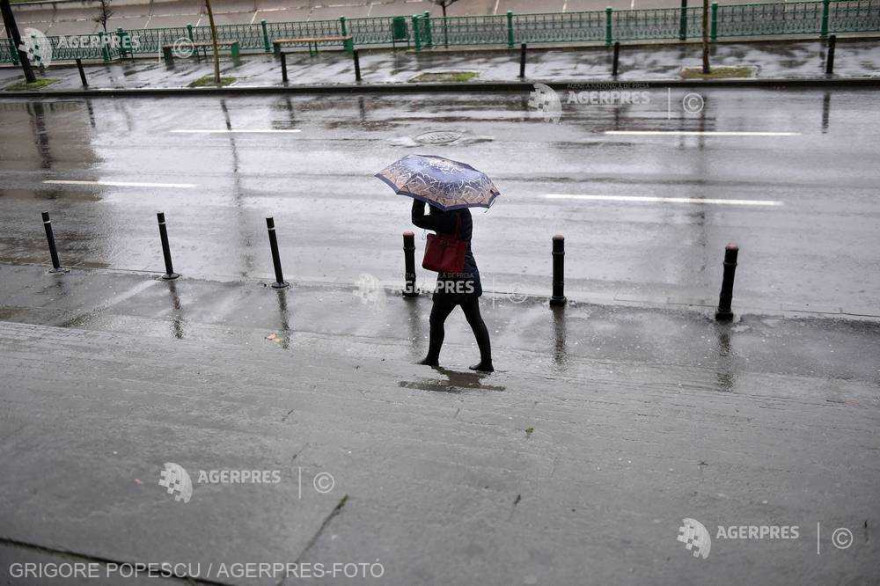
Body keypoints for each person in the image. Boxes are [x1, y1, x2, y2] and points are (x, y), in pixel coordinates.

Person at [411, 199, 493, 373]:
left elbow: (417, 219)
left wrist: (419, 199)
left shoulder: (445, 219)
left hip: (452, 276)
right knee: (475, 319)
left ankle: (432, 357)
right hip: (469, 273)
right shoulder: (464, 213)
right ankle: (487, 362)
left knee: (436, 319)